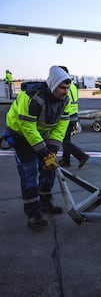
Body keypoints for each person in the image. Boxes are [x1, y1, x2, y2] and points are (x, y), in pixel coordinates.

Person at [5, 66, 71, 228]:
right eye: (62, 88)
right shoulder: (31, 98)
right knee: (29, 172)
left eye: (68, 88)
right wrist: (43, 152)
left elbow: (61, 126)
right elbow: (27, 127)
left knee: (50, 168)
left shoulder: (65, 100)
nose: (66, 91)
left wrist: (52, 151)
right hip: (20, 135)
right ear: (53, 85)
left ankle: (46, 203)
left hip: (41, 134)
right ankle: (33, 214)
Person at [58, 66, 89, 168]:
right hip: (74, 115)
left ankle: (81, 156)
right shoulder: (72, 85)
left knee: (64, 141)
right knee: (67, 140)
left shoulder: (63, 86)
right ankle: (66, 160)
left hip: (67, 116)